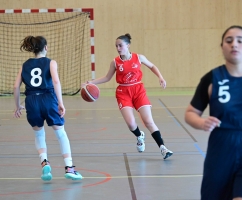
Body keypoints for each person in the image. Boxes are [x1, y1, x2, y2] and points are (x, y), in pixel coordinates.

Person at [184, 25, 242, 200]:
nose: (234, 44)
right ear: (222, 47)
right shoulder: (212, 78)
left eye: (240, 40)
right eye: (228, 41)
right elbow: (190, 113)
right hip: (221, 149)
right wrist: (201, 122)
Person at [82, 33, 173, 159]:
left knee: (148, 121)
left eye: (120, 45)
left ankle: (163, 148)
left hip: (138, 90)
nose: (118, 48)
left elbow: (152, 66)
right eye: (116, 46)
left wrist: (161, 77)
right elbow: (107, 78)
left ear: (128, 45)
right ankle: (139, 135)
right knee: (131, 124)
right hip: (123, 92)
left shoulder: (139, 57)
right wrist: (91, 82)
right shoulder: (115, 62)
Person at [13, 36, 82, 181]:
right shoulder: (51, 62)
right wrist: (60, 102)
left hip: (31, 101)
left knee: (39, 134)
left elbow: (15, 87)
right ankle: (69, 168)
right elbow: (56, 81)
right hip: (48, 99)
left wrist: (18, 105)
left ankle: (44, 161)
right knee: (61, 133)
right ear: (46, 48)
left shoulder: (24, 65)